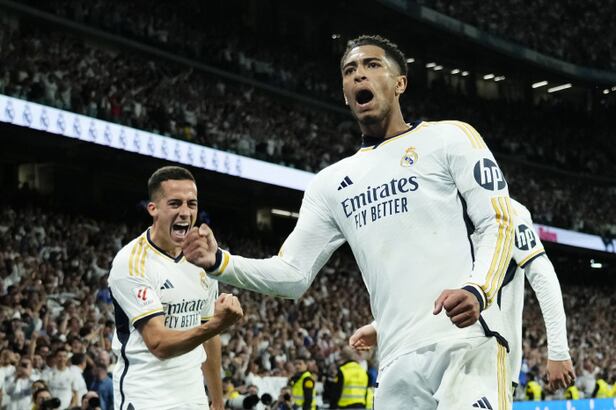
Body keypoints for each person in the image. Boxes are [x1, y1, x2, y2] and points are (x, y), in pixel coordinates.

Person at [185, 35, 514, 409]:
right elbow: (292, 274)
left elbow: (498, 221)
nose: (359, 74)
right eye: (349, 70)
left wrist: (478, 289)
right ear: (345, 94)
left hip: (465, 343)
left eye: (372, 65)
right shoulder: (330, 184)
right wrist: (220, 262)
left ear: (400, 83)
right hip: (396, 363)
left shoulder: (449, 137)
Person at [349, 199, 574, 399]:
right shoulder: (439, 211)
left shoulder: (505, 209)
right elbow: (430, 283)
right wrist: (380, 327)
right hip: (430, 357)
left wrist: (558, 351)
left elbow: (542, 273)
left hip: (483, 359)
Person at [107, 166, 244, 410]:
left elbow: (209, 337)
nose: (185, 212)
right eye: (175, 203)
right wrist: (216, 325)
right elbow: (158, 344)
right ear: (153, 209)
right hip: (147, 397)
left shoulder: (202, 258)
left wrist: (217, 400)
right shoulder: (131, 262)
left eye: (192, 204)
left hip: (193, 396)